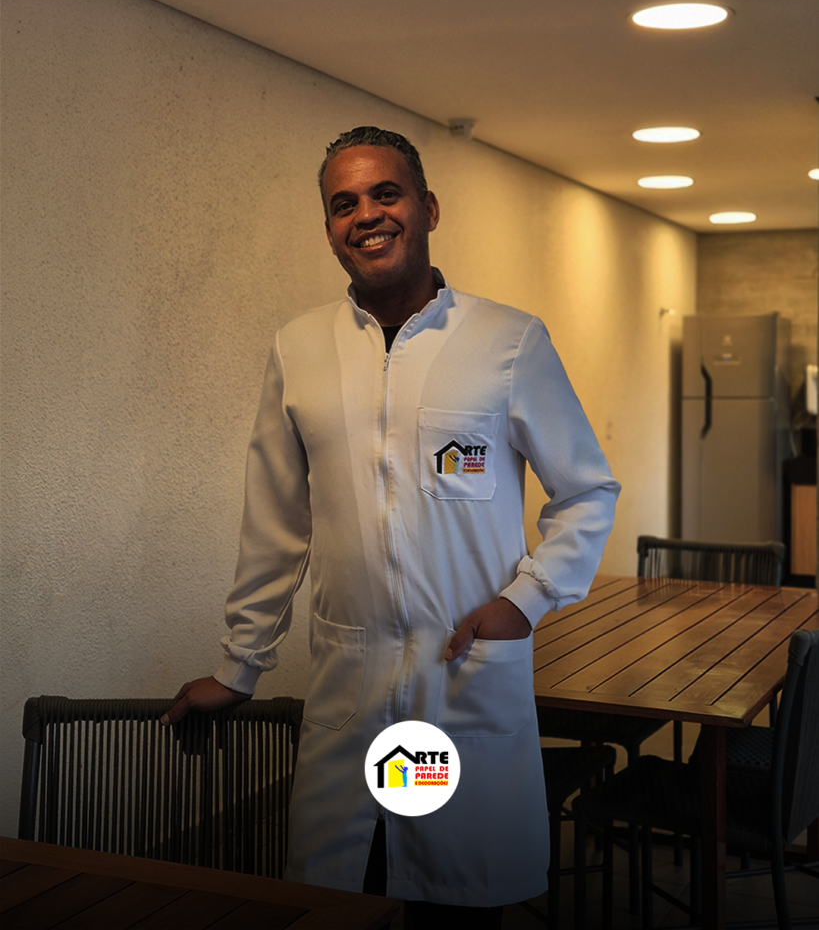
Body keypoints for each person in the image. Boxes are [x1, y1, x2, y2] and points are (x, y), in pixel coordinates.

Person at [163, 127, 620, 927]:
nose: (366, 215)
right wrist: (239, 667)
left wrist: (527, 599)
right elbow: (275, 522)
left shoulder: (507, 342)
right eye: (344, 204)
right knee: (352, 896)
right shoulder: (299, 348)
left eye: (385, 194)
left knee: (452, 909)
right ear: (329, 229)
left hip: (459, 684)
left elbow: (586, 490)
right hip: (353, 689)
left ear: (427, 208)